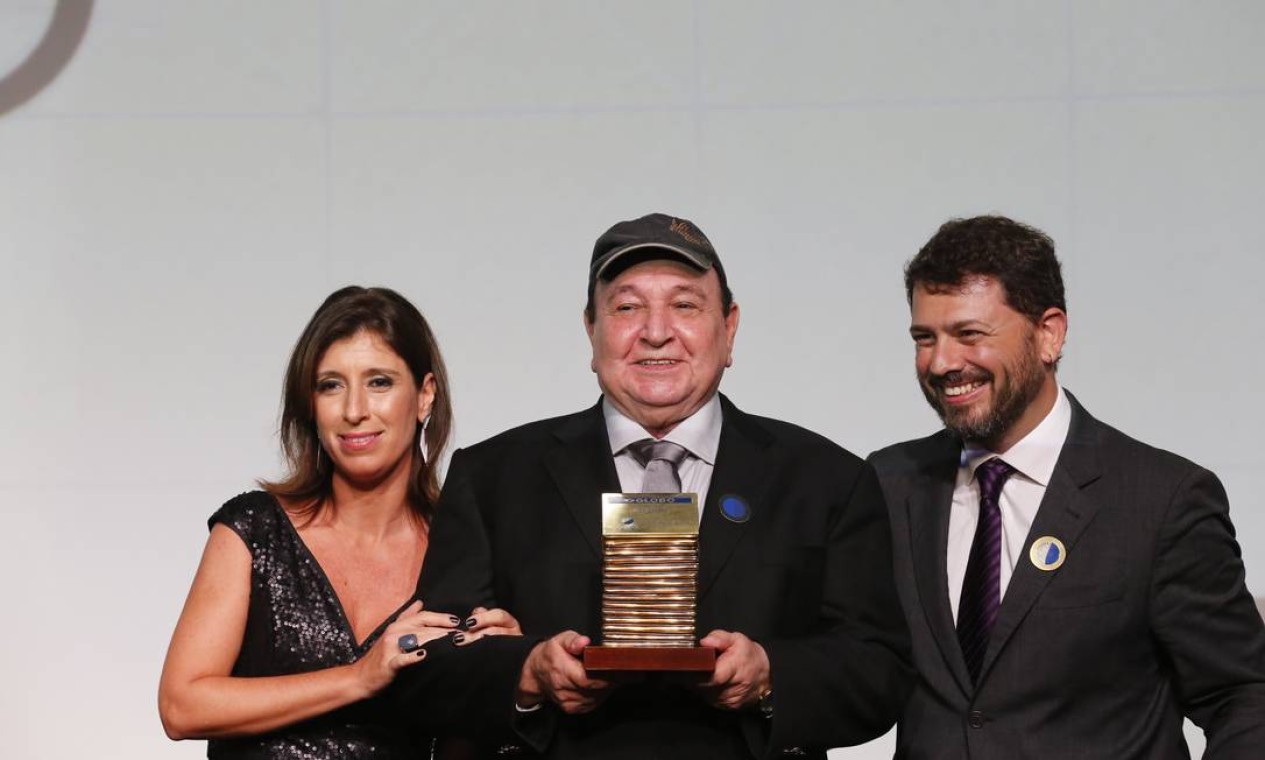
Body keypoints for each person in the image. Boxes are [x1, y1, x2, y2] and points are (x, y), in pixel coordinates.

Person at [416, 213, 913, 759]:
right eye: (627, 307)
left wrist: (771, 674)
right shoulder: (493, 477)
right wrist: (528, 672)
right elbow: (431, 667)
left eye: (685, 305)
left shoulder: (825, 480)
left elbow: (880, 671)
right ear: (591, 329)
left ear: (730, 327)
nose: (655, 332)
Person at [869, 215, 1265, 758]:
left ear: (1049, 334)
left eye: (969, 334)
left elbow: (1243, 694)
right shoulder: (888, 485)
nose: (942, 363)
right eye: (924, 338)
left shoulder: (1162, 500)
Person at [159, 286, 521, 758]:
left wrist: (506, 677)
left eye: (379, 382)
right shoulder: (254, 530)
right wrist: (359, 677)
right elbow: (181, 706)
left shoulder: (468, 549)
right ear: (310, 404)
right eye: (331, 384)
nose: (354, 411)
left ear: (425, 396)